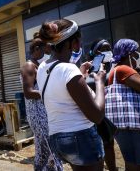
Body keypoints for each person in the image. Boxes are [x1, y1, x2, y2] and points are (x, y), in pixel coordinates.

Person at [36, 19, 106, 171]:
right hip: (80, 138)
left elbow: (61, 91)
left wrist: (80, 74)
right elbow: (97, 116)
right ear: (73, 43)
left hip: (58, 138)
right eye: (79, 40)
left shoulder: (43, 67)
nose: (80, 44)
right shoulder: (69, 70)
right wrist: (100, 82)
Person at [20, 33, 63, 171]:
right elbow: (28, 92)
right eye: (47, 49)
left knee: (43, 152)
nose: (49, 51)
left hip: (44, 114)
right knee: (50, 150)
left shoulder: (38, 65)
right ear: (38, 49)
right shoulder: (29, 66)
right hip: (38, 116)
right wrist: (51, 94)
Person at [106, 39, 140, 171]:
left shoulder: (116, 70)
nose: (138, 55)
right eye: (135, 52)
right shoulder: (124, 69)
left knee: (133, 163)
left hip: (125, 127)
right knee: (139, 165)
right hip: (133, 127)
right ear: (128, 54)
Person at [87, 39, 117, 171]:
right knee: (105, 143)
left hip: (114, 110)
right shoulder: (92, 68)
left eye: (109, 48)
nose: (109, 51)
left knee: (110, 143)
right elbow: (90, 86)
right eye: (105, 49)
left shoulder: (114, 64)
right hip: (99, 110)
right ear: (97, 52)